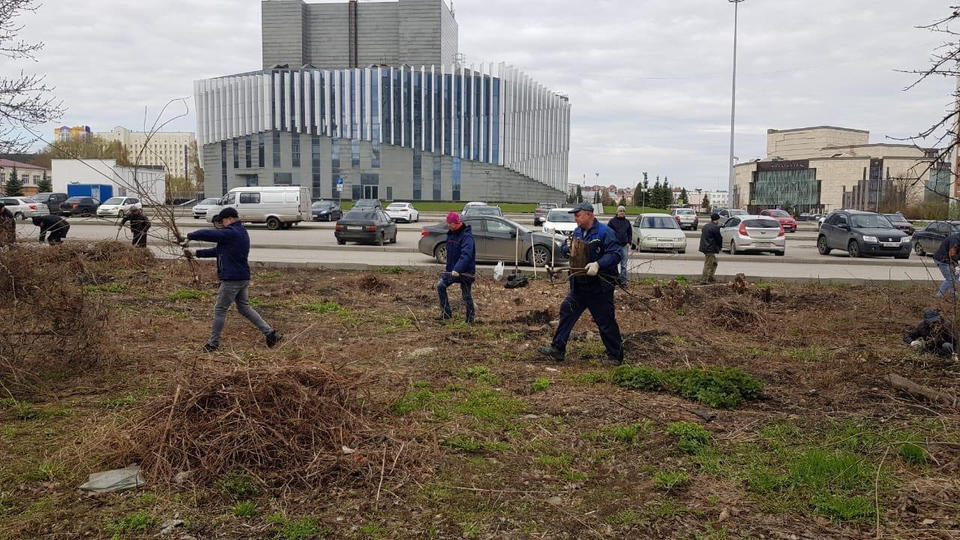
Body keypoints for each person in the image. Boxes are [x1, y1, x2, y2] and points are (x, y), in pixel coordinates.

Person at [537, 202, 624, 366]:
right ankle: (558, 349)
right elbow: (566, 247)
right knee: (567, 311)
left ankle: (615, 356)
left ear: (589, 215)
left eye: (578, 215)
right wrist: (567, 249)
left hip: (599, 287)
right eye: (575, 215)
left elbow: (616, 254)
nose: (575, 218)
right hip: (579, 286)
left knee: (605, 321)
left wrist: (599, 264)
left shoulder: (605, 233)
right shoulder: (578, 231)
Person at [184, 207, 281, 351]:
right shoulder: (240, 232)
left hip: (232, 279)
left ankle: (213, 344)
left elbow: (209, 234)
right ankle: (270, 333)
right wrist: (196, 252)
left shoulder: (232, 232)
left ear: (229, 219)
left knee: (220, 309)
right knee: (244, 308)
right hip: (242, 277)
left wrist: (190, 236)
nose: (222, 225)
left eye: (222, 222)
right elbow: (218, 251)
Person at [436, 211, 476, 323]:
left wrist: (457, 269)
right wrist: (450, 269)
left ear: (455, 223)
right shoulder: (451, 234)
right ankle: (446, 313)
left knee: (466, 295)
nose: (447, 225)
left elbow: (466, 255)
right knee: (440, 286)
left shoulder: (466, 236)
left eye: (449, 223)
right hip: (451, 271)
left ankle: (470, 319)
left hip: (465, 271)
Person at [607, 205, 632, 286]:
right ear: (617, 212)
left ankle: (623, 283)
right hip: (615, 246)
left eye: (623, 211)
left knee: (624, 265)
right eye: (620, 211)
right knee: (613, 265)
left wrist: (629, 242)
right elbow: (608, 233)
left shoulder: (627, 222)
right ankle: (614, 281)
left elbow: (630, 233)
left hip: (624, 246)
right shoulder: (612, 222)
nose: (622, 212)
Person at [932, 229, 960, 299]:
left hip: (950, 260)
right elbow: (952, 253)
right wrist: (955, 264)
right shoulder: (955, 240)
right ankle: (939, 296)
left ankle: (952, 294)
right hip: (942, 260)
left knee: (956, 275)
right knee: (950, 279)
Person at [699, 212, 723, 284]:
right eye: (718, 219)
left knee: (714, 263)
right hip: (710, 248)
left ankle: (710, 277)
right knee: (708, 264)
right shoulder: (715, 228)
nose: (719, 221)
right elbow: (719, 239)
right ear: (716, 220)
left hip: (705, 247)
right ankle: (704, 280)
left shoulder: (706, 226)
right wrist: (720, 247)